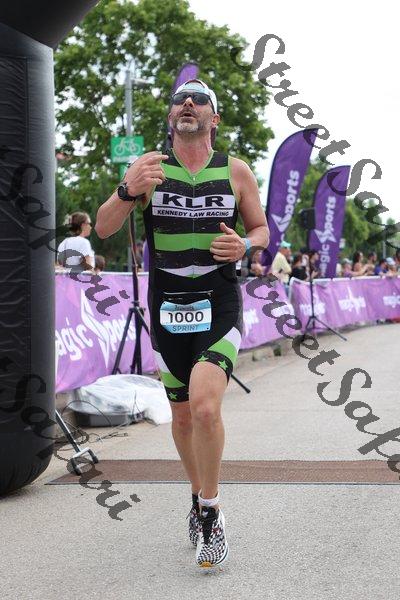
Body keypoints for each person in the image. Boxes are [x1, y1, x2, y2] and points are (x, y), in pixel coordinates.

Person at [95, 78, 269, 568]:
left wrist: (246, 244)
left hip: (219, 299)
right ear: (172, 116)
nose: (187, 102)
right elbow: (104, 227)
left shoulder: (235, 170)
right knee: (183, 416)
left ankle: (211, 513)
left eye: (199, 99)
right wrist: (127, 188)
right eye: (179, 99)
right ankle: (196, 495)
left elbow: (261, 228)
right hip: (167, 303)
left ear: (214, 118)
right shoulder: (149, 168)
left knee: (206, 407)